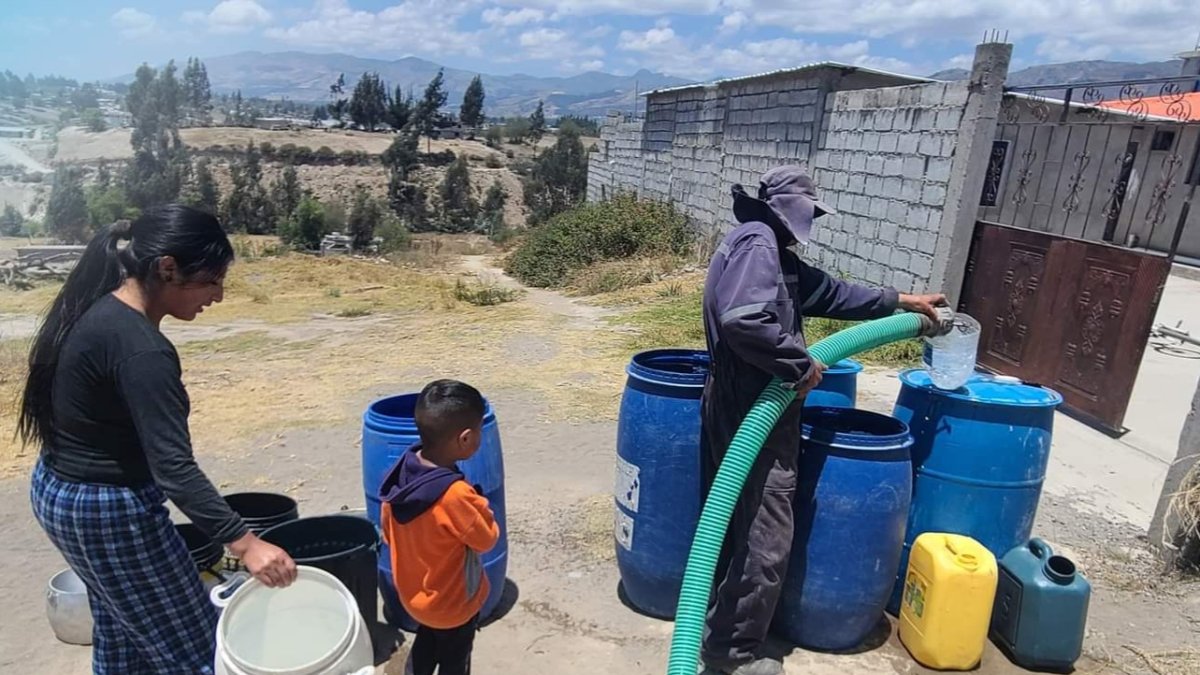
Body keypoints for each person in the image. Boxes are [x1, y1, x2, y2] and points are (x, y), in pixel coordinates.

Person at [21, 205, 298, 674]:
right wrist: (247, 544)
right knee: (195, 652)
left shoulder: (101, 310)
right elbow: (174, 468)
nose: (218, 295)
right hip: (107, 511)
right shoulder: (142, 351)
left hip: (60, 492)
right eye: (211, 281)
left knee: (123, 634)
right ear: (167, 268)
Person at [700, 166, 945, 675]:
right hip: (753, 405)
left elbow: (833, 293)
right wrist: (799, 363)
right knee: (766, 535)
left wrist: (903, 302)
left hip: (747, 399)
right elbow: (743, 319)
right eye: (809, 212)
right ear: (790, 210)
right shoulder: (759, 243)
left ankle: (720, 631)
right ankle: (732, 657)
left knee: (739, 522)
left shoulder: (773, 252)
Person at [379, 379, 500, 675]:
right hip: (453, 606)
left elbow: (388, 534)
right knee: (454, 661)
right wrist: (482, 506)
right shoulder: (456, 496)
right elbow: (487, 539)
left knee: (428, 642)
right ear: (465, 439)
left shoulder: (399, 478)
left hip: (417, 600)